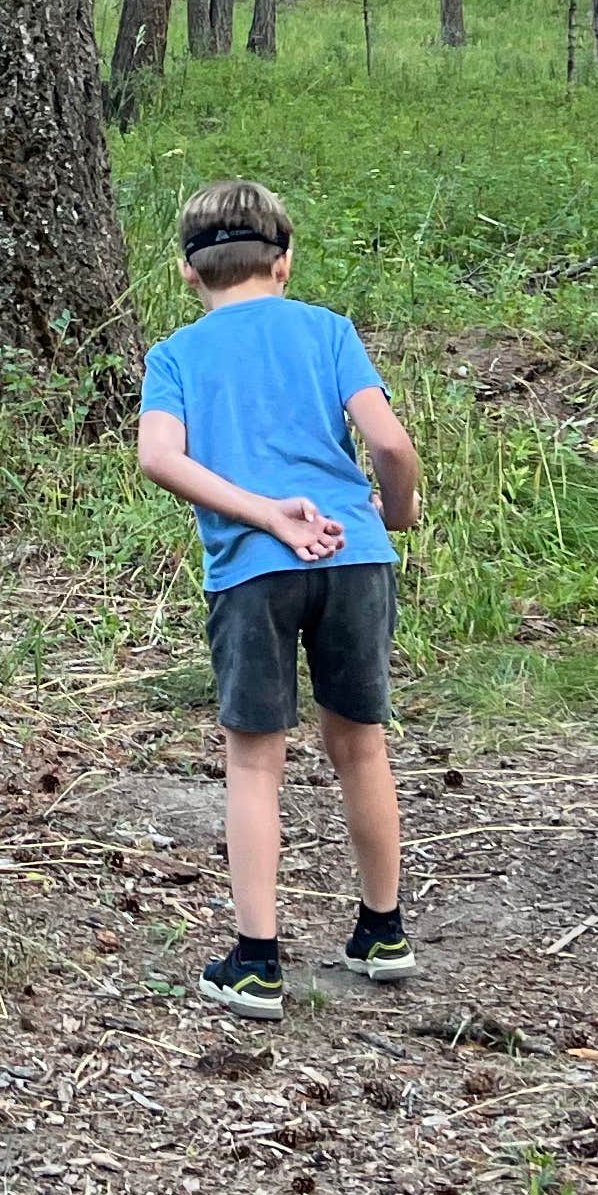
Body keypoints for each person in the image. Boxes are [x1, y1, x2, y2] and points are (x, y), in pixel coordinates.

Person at [134, 176, 423, 1022]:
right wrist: (392, 514)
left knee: (256, 759)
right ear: (285, 262)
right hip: (353, 557)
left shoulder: (178, 355)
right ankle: (383, 930)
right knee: (361, 744)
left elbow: (160, 457)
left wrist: (262, 514)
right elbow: (391, 445)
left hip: (252, 569)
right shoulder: (328, 332)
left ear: (190, 274)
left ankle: (257, 961)